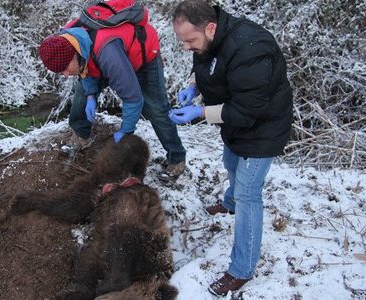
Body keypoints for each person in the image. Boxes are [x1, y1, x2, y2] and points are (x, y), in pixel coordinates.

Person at [169, 0, 293, 296]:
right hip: (237, 124)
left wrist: (199, 114)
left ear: (210, 28)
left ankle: (241, 269)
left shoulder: (252, 48)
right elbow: (205, 64)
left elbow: (247, 110)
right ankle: (230, 203)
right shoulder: (210, 39)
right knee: (230, 160)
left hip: (263, 126)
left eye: (189, 40)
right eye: (182, 41)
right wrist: (194, 86)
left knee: (249, 193)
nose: (186, 47)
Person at [38, 13, 186, 177]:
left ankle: (176, 159)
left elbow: (133, 98)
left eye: (65, 68)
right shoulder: (68, 39)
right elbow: (83, 70)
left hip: (141, 58)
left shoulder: (108, 53)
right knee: (81, 91)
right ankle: (81, 136)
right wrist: (90, 95)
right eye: (61, 72)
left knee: (156, 109)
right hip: (99, 57)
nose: (65, 74)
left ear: (74, 54)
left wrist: (125, 131)